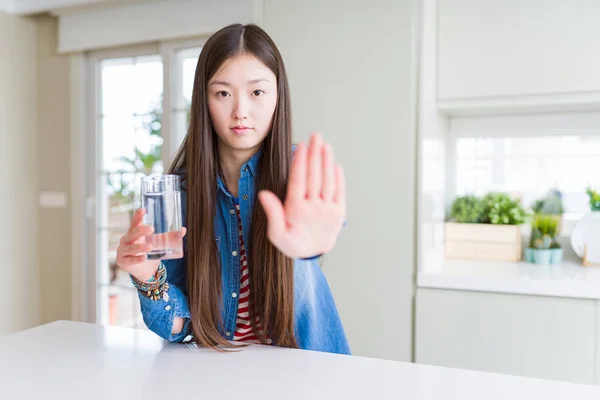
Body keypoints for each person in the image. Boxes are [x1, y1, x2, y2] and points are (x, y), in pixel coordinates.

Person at [116, 23, 350, 355]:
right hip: (222, 374)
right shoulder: (180, 192)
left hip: (307, 370)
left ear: (277, 96)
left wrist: (309, 247)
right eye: (223, 93)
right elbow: (181, 328)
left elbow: (319, 228)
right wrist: (147, 276)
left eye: (257, 92)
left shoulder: (298, 169)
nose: (241, 111)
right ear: (204, 100)